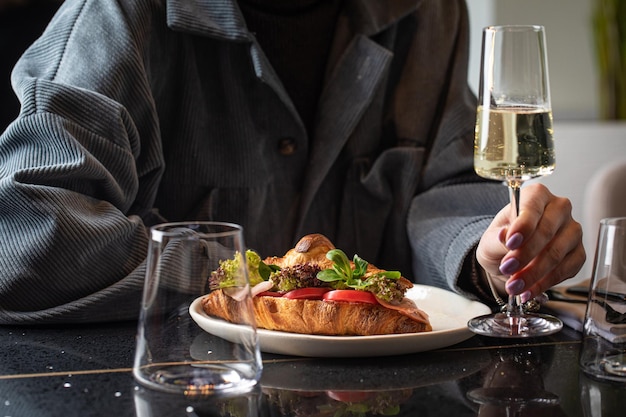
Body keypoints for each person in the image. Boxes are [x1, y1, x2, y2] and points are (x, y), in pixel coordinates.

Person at [0, 0, 584, 324]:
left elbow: (447, 187)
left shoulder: (429, 13)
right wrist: (241, 275)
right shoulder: (122, 15)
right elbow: (28, 235)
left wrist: (489, 244)